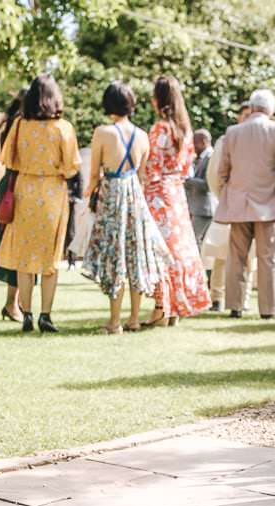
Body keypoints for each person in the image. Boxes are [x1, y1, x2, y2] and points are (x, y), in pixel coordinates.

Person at [82, 81, 170, 334]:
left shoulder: (102, 133)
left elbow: (95, 175)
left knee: (115, 255)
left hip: (112, 195)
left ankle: (114, 321)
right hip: (135, 197)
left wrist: (87, 197)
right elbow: (142, 174)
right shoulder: (142, 136)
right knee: (135, 256)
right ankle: (133, 319)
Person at [0, 75, 81, 333]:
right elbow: (71, 167)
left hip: (25, 192)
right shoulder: (63, 128)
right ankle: (46, 314)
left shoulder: (20, 125)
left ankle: (27, 315)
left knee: (24, 257)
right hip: (52, 194)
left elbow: (9, 159)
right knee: (50, 257)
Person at [214, 89, 275, 319]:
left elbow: (222, 171)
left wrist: (226, 196)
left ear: (251, 107)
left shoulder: (233, 132)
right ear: (270, 109)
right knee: (268, 259)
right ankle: (268, 310)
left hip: (238, 202)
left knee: (236, 257)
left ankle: (235, 306)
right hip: (270, 203)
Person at [143, 75, 211, 326]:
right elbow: (186, 168)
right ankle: (176, 305)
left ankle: (162, 306)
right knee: (179, 249)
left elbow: (151, 164)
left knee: (159, 250)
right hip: (177, 194)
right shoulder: (185, 130)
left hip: (158, 194)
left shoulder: (161, 128)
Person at [204, 102, 253, 311]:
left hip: (253, 206)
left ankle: (244, 298)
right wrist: (223, 196)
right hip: (229, 202)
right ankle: (217, 297)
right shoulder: (225, 140)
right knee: (221, 252)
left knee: (250, 257)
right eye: (245, 115)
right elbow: (213, 174)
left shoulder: (258, 142)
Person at [0, 91, 27, 321]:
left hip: (11, 187)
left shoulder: (12, 127)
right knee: (16, 247)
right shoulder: (19, 128)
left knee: (17, 247)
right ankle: (12, 303)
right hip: (15, 189)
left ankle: (16, 303)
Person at [185, 129, 215, 249]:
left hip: (204, 208)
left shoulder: (211, 157)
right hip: (199, 207)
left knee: (193, 241)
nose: (192, 146)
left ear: (203, 142)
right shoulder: (201, 157)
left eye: (194, 143)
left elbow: (208, 185)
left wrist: (186, 180)